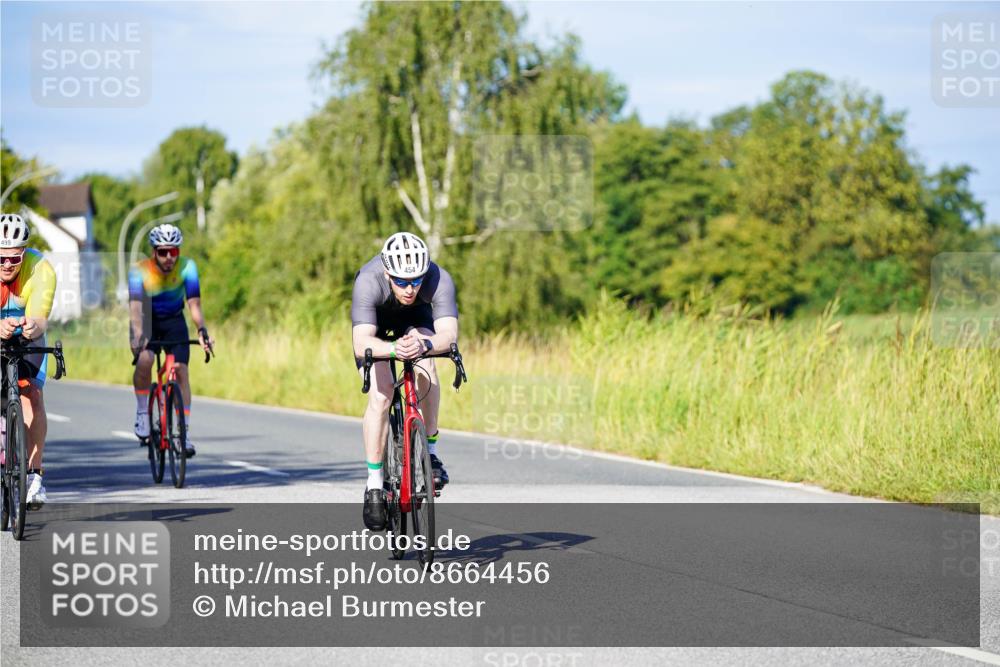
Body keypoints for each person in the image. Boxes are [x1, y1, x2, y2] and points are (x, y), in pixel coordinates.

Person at [351, 231, 458, 530]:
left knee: (429, 368)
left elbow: (449, 335)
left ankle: (432, 453)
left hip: (416, 322)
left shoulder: (438, 279)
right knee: (382, 395)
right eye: (401, 281)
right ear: (388, 273)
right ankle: (374, 483)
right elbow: (362, 343)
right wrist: (395, 349)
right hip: (377, 329)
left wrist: (424, 346)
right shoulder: (368, 281)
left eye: (416, 280)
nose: (409, 289)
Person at [128, 223, 213, 457]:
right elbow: (135, 308)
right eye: (163, 252)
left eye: (173, 252)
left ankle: (183, 434)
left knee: (181, 371)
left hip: (175, 321)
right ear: (153, 251)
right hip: (146, 320)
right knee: (145, 360)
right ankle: (143, 412)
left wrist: (202, 330)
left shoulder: (188, 267)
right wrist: (138, 334)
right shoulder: (139, 270)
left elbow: (194, 304)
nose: (169, 258)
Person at [0, 213, 57, 509]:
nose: (8, 265)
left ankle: (34, 476)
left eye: (15, 258)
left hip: (26, 333)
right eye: (2, 259)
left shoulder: (40, 269)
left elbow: (39, 318)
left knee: (32, 396)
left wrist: (31, 325)